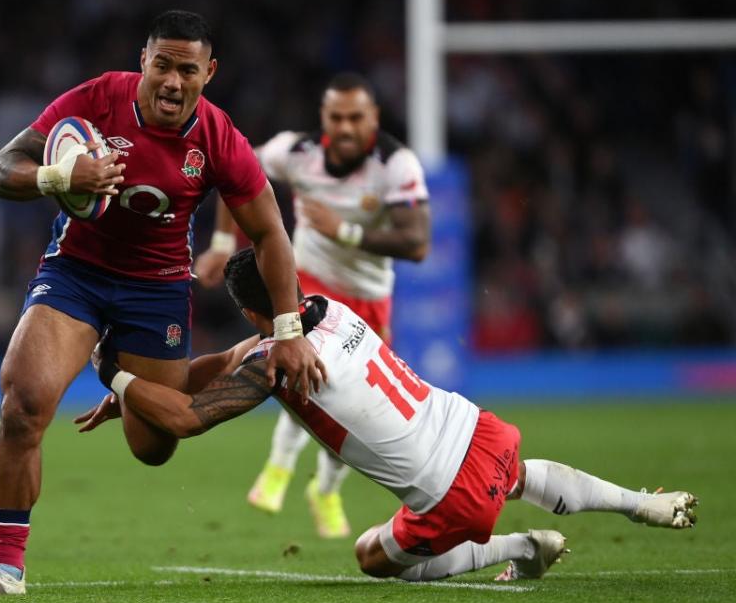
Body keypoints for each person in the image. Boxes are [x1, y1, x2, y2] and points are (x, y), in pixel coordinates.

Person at [0, 11, 324, 596]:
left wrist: (290, 326)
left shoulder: (219, 137)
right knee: (22, 404)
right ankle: (7, 569)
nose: (173, 82)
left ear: (210, 73)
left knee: (154, 447)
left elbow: (271, 232)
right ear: (143, 60)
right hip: (76, 274)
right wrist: (61, 175)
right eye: (163, 65)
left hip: (157, 289)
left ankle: (230, 354)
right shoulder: (98, 99)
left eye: (188, 70)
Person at [80, 247, 699, 584]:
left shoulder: (277, 365)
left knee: (371, 555)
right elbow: (221, 362)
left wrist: (115, 373)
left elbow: (186, 419)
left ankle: (517, 545)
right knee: (517, 474)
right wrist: (135, 395)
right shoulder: (327, 307)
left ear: (249, 315)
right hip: (479, 430)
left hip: (449, 497)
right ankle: (637, 502)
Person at [194, 73, 431, 538]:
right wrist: (223, 241)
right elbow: (234, 173)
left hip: (369, 298)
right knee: (300, 370)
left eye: (355, 118)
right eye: (336, 117)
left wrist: (344, 231)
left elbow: (417, 243)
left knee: (354, 403)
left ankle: (324, 488)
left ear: (373, 119)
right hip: (310, 285)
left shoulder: (395, 164)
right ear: (324, 118)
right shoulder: (297, 152)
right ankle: (279, 468)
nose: (344, 128)